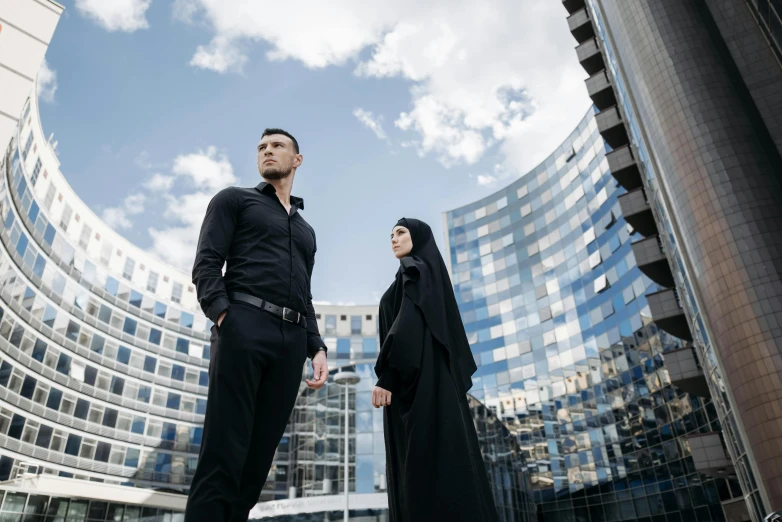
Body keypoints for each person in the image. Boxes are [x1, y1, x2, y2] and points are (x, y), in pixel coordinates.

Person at [185, 128, 329, 522]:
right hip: (243, 325)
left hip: (291, 341)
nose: (267, 151)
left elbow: (306, 293)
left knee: (258, 460)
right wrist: (225, 317)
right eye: (262, 147)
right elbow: (206, 264)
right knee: (223, 452)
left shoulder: (306, 231)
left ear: (297, 160)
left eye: (277, 146)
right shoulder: (234, 199)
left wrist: (316, 346)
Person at [373, 218, 499, 522]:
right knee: (449, 466)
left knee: (421, 474)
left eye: (401, 232)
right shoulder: (428, 276)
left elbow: (408, 326)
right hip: (434, 385)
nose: (393, 239)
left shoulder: (414, 270)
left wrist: (386, 376)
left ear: (418, 237)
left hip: (416, 389)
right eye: (390, 234)